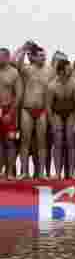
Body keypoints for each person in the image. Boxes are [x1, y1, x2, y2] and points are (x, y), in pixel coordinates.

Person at [18, 41, 55, 178]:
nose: (43, 58)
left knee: (42, 142)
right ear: (33, 57)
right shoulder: (27, 69)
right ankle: (24, 172)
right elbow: (18, 64)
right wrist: (24, 49)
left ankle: (41, 173)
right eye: (40, 56)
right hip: (27, 109)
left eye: (44, 55)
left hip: (42, 110)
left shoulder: (50, 70)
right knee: (25, 141)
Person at [45, 57, 75, 179]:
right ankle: (57, 172)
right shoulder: (52, 85)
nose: (71, 70)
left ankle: (71, 172)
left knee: (71, 142)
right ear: (61, 71)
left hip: (71, 113)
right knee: (58, 142)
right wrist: (52, 123)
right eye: (68, 69)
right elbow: (48, 106)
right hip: (57, 113)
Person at [0, 47, 23, 178]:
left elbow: (19, 95)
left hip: (10, 110)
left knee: (10, 142)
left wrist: (10, 113)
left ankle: (9, 172)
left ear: (7, 57)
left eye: (1, 56)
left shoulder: (14, 73)